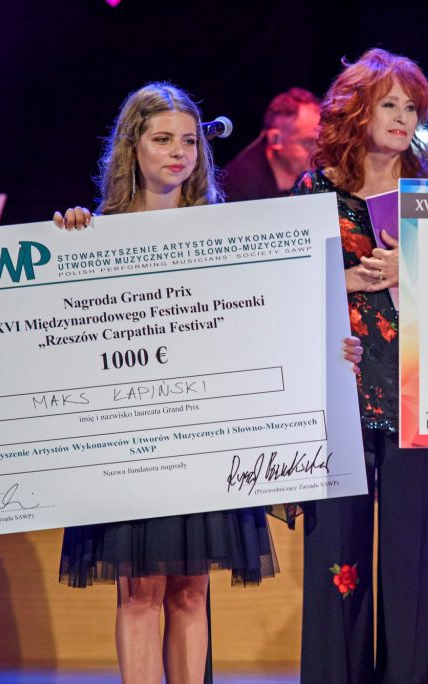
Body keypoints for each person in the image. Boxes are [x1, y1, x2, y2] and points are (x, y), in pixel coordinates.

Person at [52, 82, 362, 684]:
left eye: (189, 141)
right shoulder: (95, 234)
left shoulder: (225, 234)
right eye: (162, 139)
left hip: (205, 437)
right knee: (139, 592)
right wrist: (67, 236)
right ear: (132, 146)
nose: (179, 152)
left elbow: (265, 323)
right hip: (131, 441)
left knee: (192, 591)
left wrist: (328, 349)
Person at [290, 48, 428, 684]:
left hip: (419, 394)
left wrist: (409, 272)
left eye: (412, 107)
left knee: (419, 567)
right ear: (356, 110)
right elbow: (279, 292)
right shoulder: (314, 190)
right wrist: (349, 280)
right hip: (341, 391)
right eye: (389, 104)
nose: (402, 117)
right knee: (338, 563)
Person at [220, 87, 320, 201]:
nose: (317, 153)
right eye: (308, 143)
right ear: (275, 139)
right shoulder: (240, 186)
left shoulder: (310, 176)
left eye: (320, 142)